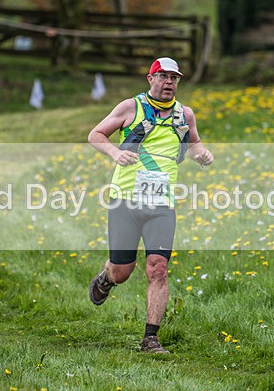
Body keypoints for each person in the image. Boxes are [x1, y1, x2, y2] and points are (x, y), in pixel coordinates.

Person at [87, 57, 214, 354]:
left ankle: (150, 338)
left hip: (161, 204)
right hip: (125, 200)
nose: (169, 82)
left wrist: (203, 155)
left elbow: (194, 144)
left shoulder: (185, 114)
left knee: (158, 269)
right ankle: (106, 277)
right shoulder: (129, 107)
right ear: (150, 79)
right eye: (164, 76)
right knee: (123, 270)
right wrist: (114, 153)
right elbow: (95, 134)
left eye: (175, 77)